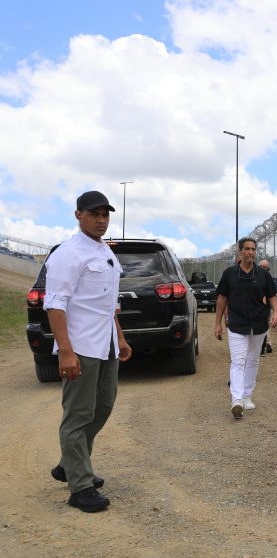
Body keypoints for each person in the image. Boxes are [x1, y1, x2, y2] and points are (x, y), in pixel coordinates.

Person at [44, 191, 132, 512]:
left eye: (105, 214)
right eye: (94, 214)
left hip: (106, 345)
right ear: (78, 215)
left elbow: (107, 305)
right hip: (80, 347)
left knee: (103, 407)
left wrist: (120, 338)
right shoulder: (68, 254)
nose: (101, 220)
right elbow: (55, 305)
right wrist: (66, 352)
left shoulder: (104, 251)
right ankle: (79, 486)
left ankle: (71, 463)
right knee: (79, 415)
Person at [215, 238, 277, 419]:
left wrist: (276, 313)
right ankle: (236, 399)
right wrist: (217, 323)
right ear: (240, 251)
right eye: (247, 249)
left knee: (253, 360)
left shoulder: (263, 275)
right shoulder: (229, 274)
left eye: (253, 249)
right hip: (237, 324)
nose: (251, 252)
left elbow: (272, 296)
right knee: (238, 360)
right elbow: (221, 299)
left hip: (259, 325)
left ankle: (247, 395)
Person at [258, 259, 277, 355]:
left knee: (265, 325)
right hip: (255, 307)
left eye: (264, 267)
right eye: (261, 266)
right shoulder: (253, 276)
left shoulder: (271, 279)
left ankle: (266, 344)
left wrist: (271, 288)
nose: (262, 268)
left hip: (267, 307)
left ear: (268, 269)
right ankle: (266, 344)